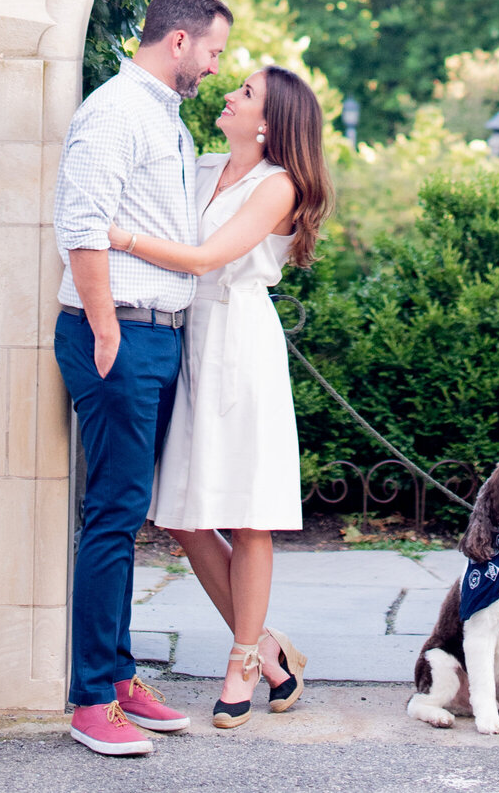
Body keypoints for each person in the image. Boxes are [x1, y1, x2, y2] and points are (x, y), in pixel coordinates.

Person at [108, 62, 333, 729]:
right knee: (180, 510)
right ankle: (267, 646)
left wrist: (119, 238)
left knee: (247, 511)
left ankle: (239, 660)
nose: (230, 95)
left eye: (246, 93)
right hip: (189, 334)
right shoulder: (204, 165)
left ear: (268, 121)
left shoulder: (278, 186)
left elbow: (206, 258)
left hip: (240, 341)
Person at [53, 0, 232, 758]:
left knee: (128, 513)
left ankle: (121, 676)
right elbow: (81, 225)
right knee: (114, 511)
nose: (218, 65)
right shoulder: (115, 110)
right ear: (181, 40)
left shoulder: (166, 116)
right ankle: (91, 696)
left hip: (155, 333)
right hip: (117, 331)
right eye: (216, 49)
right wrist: (102, 331)